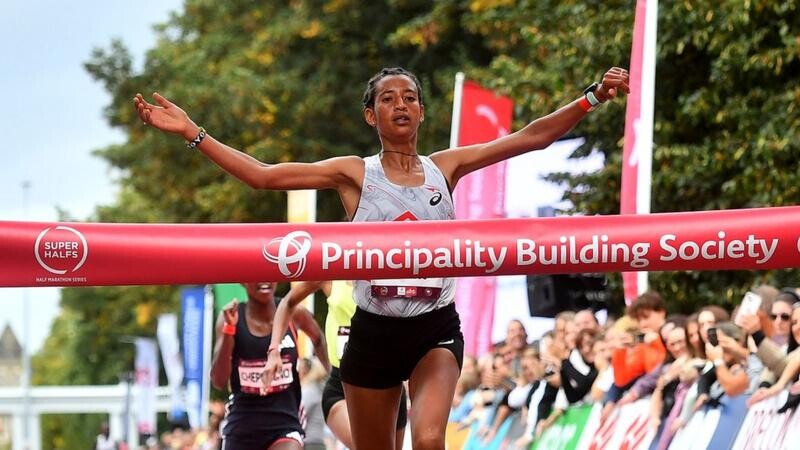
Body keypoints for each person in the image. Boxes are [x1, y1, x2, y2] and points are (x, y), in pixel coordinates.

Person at [135, 65, 629, 450]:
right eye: (388, 99)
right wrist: (193, 133)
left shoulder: (446, 168)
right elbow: (263, 175)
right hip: (373, 335)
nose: (400, 105)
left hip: (434, 328)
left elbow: (530, 137)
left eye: (409, 98)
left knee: (429, 440)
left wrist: (590, 97)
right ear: (371, 116)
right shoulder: (355, 174)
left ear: (421, 113)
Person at [269, 280, 408, 449]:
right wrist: (274, 349)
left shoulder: (386, 273)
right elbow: (287, 302)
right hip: (340, 387)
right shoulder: (332, 275)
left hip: (388, 386)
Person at [209, 281, 329, 450]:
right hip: (242, 427)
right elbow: (218, 381)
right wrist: (229, 330)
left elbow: (318, 340)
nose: (264, 281)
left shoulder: (294, 312)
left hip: (286, 425)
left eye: (268, 275)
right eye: (256, 275)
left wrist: (333, 377)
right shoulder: (231, 317)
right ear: (243, 281)